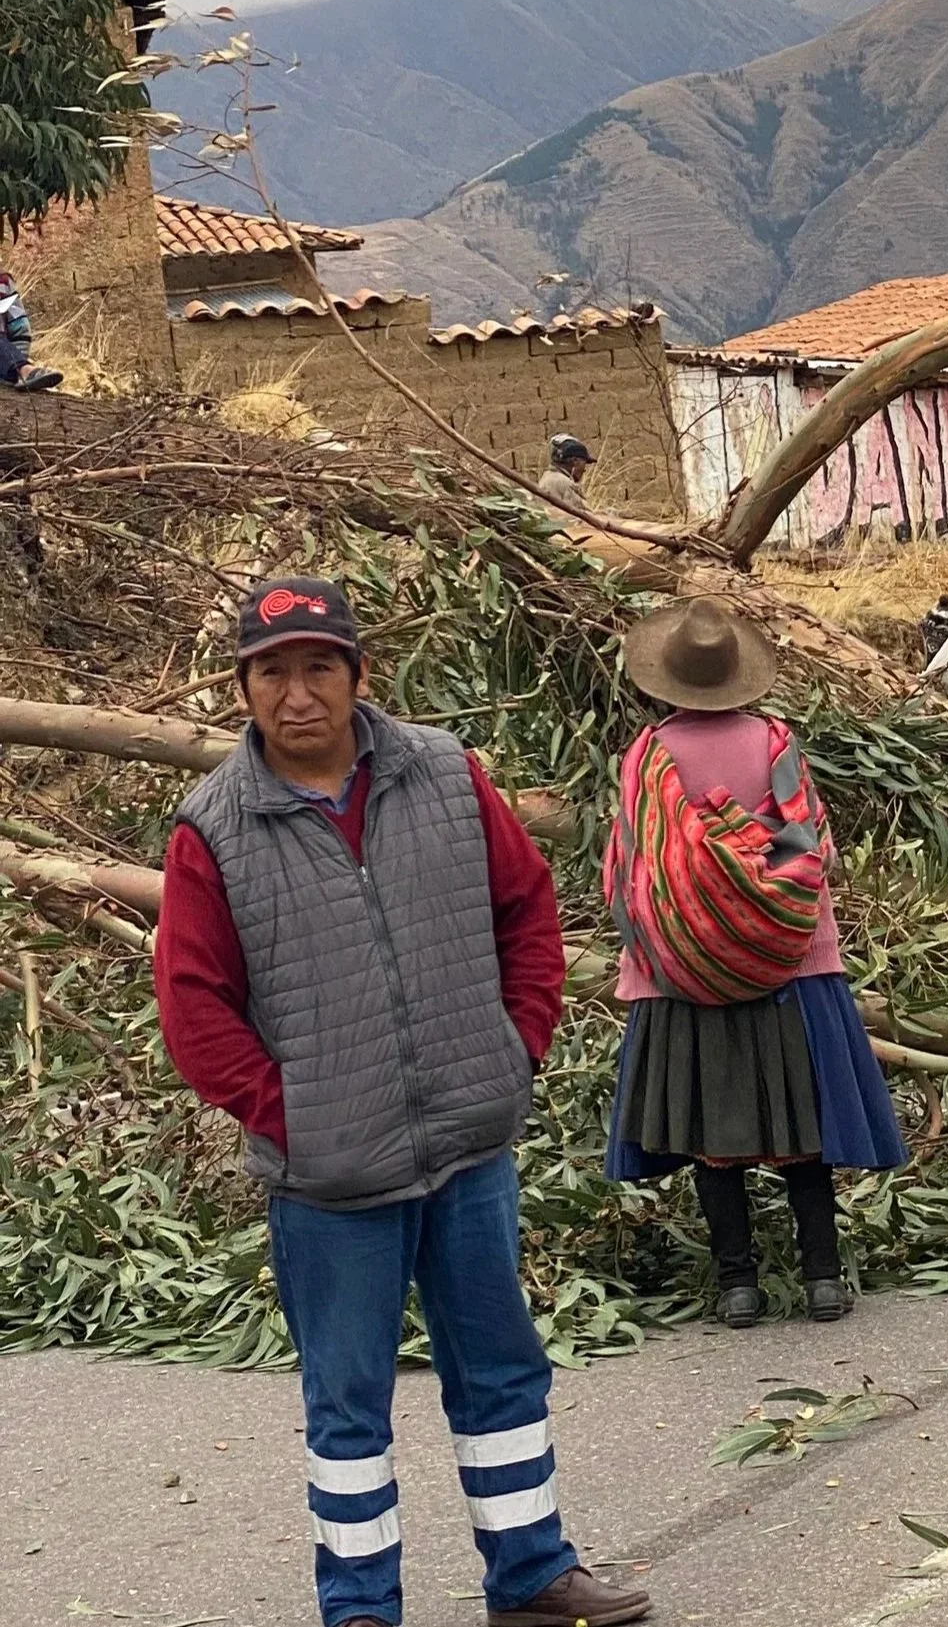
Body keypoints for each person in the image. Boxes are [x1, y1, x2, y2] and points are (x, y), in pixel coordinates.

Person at [152, 578, 649, 1627]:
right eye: (273, 672)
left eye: (318, 667)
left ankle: (532, 1574)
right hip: (331, 1182)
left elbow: (527, 910)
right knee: (348, 1406)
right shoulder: (215, 830)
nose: (297, 694)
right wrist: (293, 1116)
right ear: (242, 687)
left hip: (468, 1146)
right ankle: (361, 1607)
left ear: (358, 674)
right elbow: (195, 1008)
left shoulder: (445, 774)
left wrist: (513, 1048)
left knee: (501, 1371)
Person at [603, 599, 906, 1329]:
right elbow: (816, 849)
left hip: (686, 974)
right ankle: (822, 1277)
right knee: (803, 1128)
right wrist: (760, 891)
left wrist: (687, 924)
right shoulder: (776, 742)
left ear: (667, 681)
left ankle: (737, 1284)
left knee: (713, 1133)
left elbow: (631, 867)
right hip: (791, 964)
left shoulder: (648, 757)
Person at [0, 271, 64, 392]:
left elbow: (19, 327)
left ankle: (24, 372)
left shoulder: (3, 282)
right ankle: (24, 371)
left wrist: (18, 359)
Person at [538, 433, 595, 508]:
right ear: (575, 461)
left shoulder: (548, 477)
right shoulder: (564, 484)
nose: (584, 469)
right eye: (584, 463)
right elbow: (579, 513)